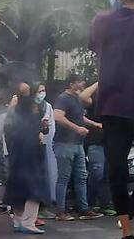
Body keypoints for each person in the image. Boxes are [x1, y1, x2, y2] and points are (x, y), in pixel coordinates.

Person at [90, 0, 134, 239]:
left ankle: (126, 235)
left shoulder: (102, 21)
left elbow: (96, 47)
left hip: (113, 106)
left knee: (116, 169)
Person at [53, 73, 103, 221]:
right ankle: (60, 212)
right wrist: (77, 129)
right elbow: (58, 116)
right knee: (64, 178)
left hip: (77, 144)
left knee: (81, 177)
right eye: (80, 82)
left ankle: (83, 208)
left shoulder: (76, 99)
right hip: (64, 144)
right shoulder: (63, 98)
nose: (82, 84)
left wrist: (94, 124)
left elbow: (79, 117)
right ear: (71, 84)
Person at [4, 83, 50, 234]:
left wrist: (42, 128)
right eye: (37, 91)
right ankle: (28, 222)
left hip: (23, 152)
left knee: (19, 186)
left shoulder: (33, 111)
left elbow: (38, 129)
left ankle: (19, 221)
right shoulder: (21, 109)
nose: (39, 94)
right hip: (27, 153)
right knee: (33, 187)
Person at [80, 83, 116, 217]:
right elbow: (83, 97)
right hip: (95, 141)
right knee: (97, 172)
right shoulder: (95, 99)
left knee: (107, 175)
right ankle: (88, 203)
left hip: (110, 142)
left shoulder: (116, 103)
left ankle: (104, 205)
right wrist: (101, 80)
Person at [35, 84, 58, 220]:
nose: (42, 93)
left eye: (43, 90)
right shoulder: (30, 106)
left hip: (46, 145)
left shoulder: (47, 106)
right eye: (39, 91)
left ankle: (45, 205)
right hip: (34, 145)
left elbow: (50, 126)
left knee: (47, 175)